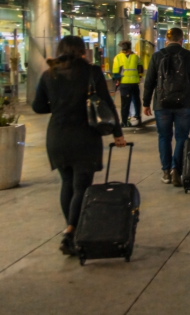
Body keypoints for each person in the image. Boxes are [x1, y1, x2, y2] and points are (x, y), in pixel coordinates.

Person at [32, 35, 126, 256]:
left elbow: (38, 107)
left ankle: (71, 231)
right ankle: (71, 232)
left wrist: (57, 106)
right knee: (81, 186)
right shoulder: (91, 72)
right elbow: (106, 102)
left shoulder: (49, 74)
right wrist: (117, 133)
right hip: (85, 136)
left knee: (67, 184)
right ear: (82, 51)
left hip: (57, 137)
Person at [142, 28, 190, 187]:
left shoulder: (157, 56)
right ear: (182, 40)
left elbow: (149, 81)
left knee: (164, 137)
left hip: (161, 104)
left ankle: (165, 171)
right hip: (184, 104)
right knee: (182, 137)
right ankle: (175, 170)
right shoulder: (189, 56)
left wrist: (146, 103)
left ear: (166, 39)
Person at [112, 40, 143, 127]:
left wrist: (117, 80)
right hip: (132, 84)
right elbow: (140, 68)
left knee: (126, 103)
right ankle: (136, 119)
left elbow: (115, 71)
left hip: (126, 84)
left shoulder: (118, 57)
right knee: (135, 102)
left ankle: (125, 121)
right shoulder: (136, 57)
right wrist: (139, 77)